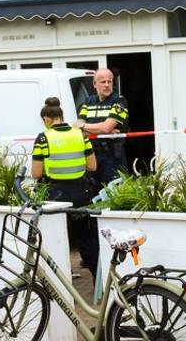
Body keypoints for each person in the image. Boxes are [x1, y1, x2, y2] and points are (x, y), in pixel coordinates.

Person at [32, 97, 98, 274]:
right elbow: (92, 166)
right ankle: (98, 284)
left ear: (46, 119)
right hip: (81, 193)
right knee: (86, 238)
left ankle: (61, 285)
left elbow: (36, 174)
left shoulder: (43, 138)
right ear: (61, 116)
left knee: (57, 240)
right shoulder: (80, 134)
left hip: (55, 196)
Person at [75, 68, 129, 188]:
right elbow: (76, 129)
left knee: (114, 195)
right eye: (103, 82)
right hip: (91, 156)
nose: (107, 85)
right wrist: (100, 129)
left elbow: (105, 128)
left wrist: (84, 126)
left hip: (112, 157)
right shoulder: (88, 102)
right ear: (95, 84)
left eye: (109, 82)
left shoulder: (119, 101)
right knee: (92, 194)